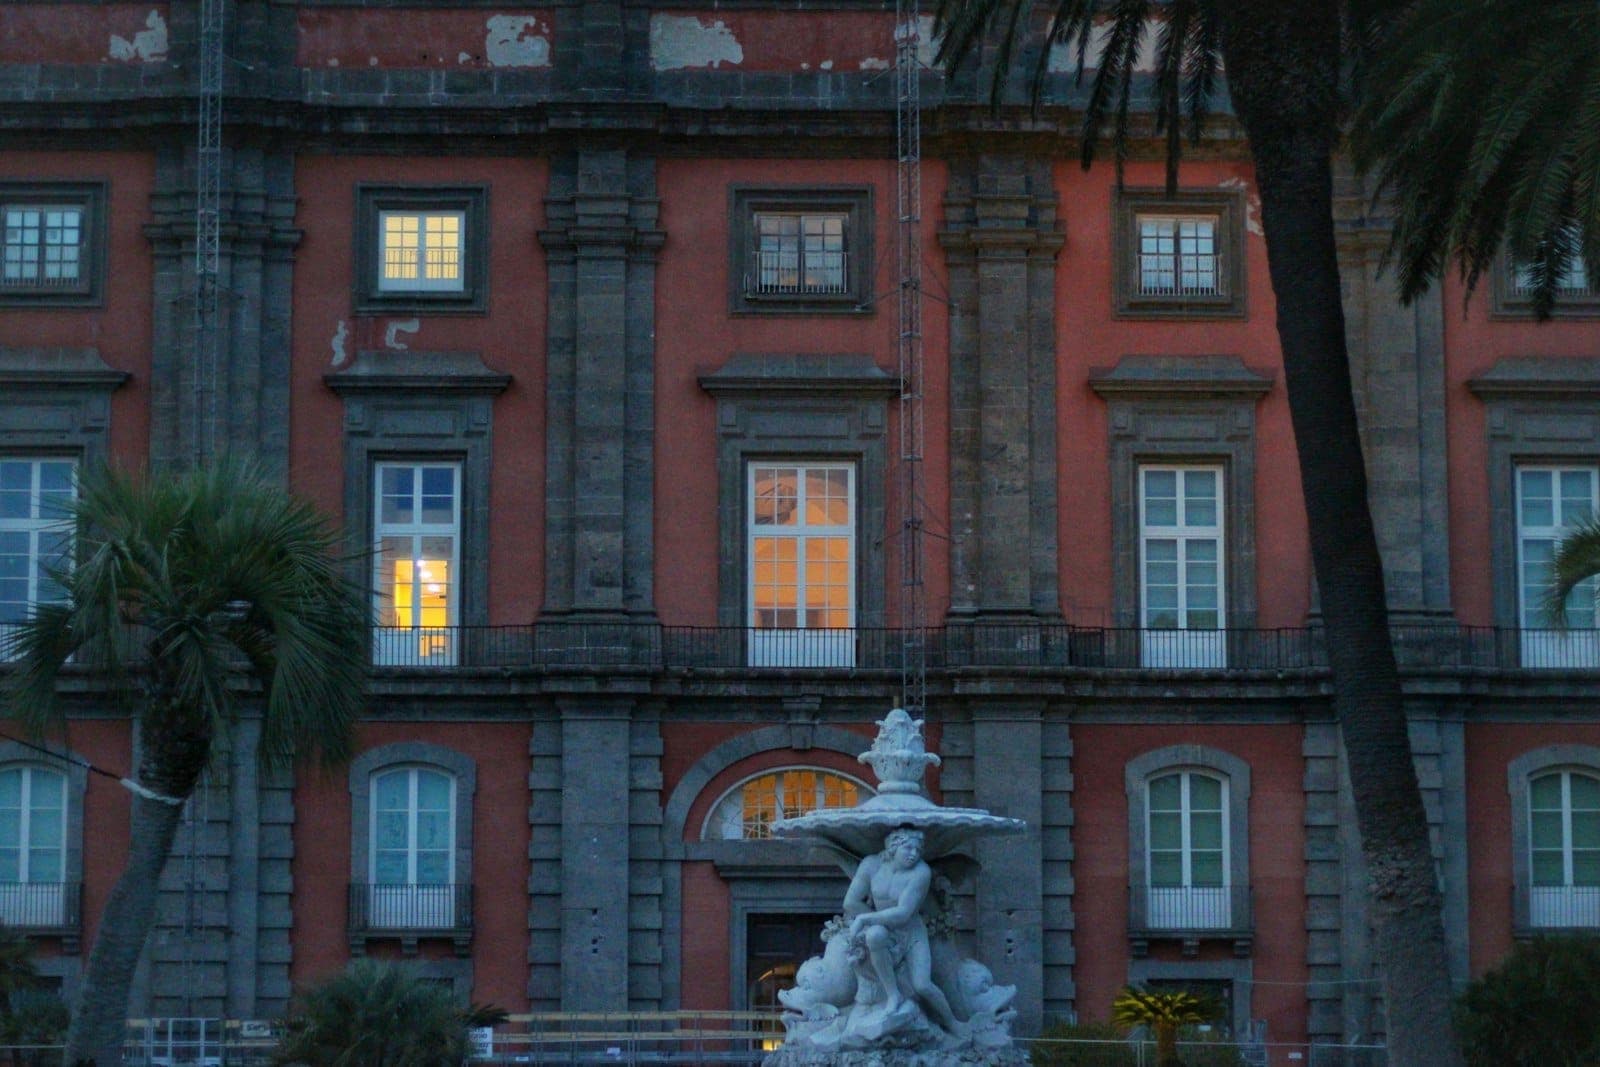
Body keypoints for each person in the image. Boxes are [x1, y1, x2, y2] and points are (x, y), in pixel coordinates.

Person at [843, 826, 961, 1034]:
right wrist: (872, 921)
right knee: (874, 935)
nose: (913, 854)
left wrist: (866, 917)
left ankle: (952, 1022)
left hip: (911, 933)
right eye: (908, 848)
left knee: (923, 984)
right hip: (884, 928)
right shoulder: (871, 865)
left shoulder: (920, 872)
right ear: (893, 846)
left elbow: (904, 913)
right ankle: (893, 995)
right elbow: (851, 902)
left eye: (917, 850)